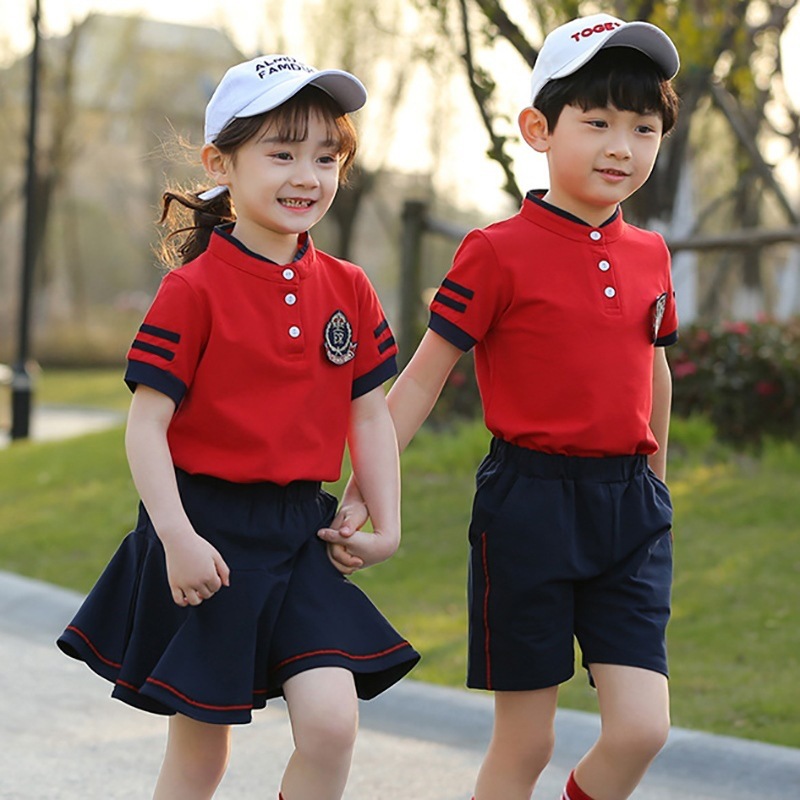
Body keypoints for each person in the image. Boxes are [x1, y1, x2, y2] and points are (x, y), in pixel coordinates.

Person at [320, 13, 681, 800]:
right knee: (526, 743)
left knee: (642, 729)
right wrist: (362, 493)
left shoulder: (652, 254)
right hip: (529, 510)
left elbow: (653, 372)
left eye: (643, 127)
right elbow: (417, 380)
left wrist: (656, 482)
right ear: (538, 129)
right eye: (598, 123)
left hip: (630, 511)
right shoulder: (494, 252)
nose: (623, 145)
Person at [57, 54, 419, 800]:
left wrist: (384, 517)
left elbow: (369, 410)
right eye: (281, 153)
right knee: (202, 757)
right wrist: (179, 539)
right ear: (220, 161)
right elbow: (145, 427)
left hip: (301, 534)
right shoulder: (192, 292)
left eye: (325, 157)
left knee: (331, 726)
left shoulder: (348, 286)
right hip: (205, 535)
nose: (306, 175)